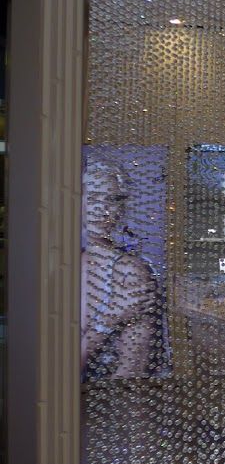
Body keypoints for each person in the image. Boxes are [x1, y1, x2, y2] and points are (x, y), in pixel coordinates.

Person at [80, 160, 165, 380]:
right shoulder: (58, 262)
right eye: (93, 198)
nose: (103, 210)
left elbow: (133, 368)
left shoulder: (130, 272)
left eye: (112, 200)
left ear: (122, 207)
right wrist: (112, 317)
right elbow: (53, 365)